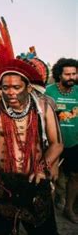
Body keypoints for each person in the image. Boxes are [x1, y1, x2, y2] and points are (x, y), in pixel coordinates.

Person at [0, 18, 63, 235]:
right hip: (2, 181)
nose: (10, 93)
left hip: (36, 182)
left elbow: (56, 144)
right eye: (5, 88)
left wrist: (44, 166)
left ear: (28, 87)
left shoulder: (44, 108)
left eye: (16, 87)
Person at [45, 58, 78, 223]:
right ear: (59, 75)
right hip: (53, 143)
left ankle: (69, 209)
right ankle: (47, 213)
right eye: (67, 74)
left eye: (74, 73)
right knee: (50, 177)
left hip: (75, 143)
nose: (71, 77)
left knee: (75, 176)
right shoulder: (48, 92)